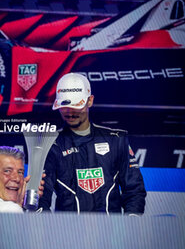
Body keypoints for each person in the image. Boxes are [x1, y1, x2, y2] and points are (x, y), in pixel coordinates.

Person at [39, 72, 146, 214]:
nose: (70, 112)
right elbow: (40, 199)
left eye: (76, 105)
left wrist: (129, 226)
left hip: (113, 233)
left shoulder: (116, 140)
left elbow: (134, 191)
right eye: (64, 106)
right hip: (67, 234)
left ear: (90, 101)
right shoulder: (51, 145)